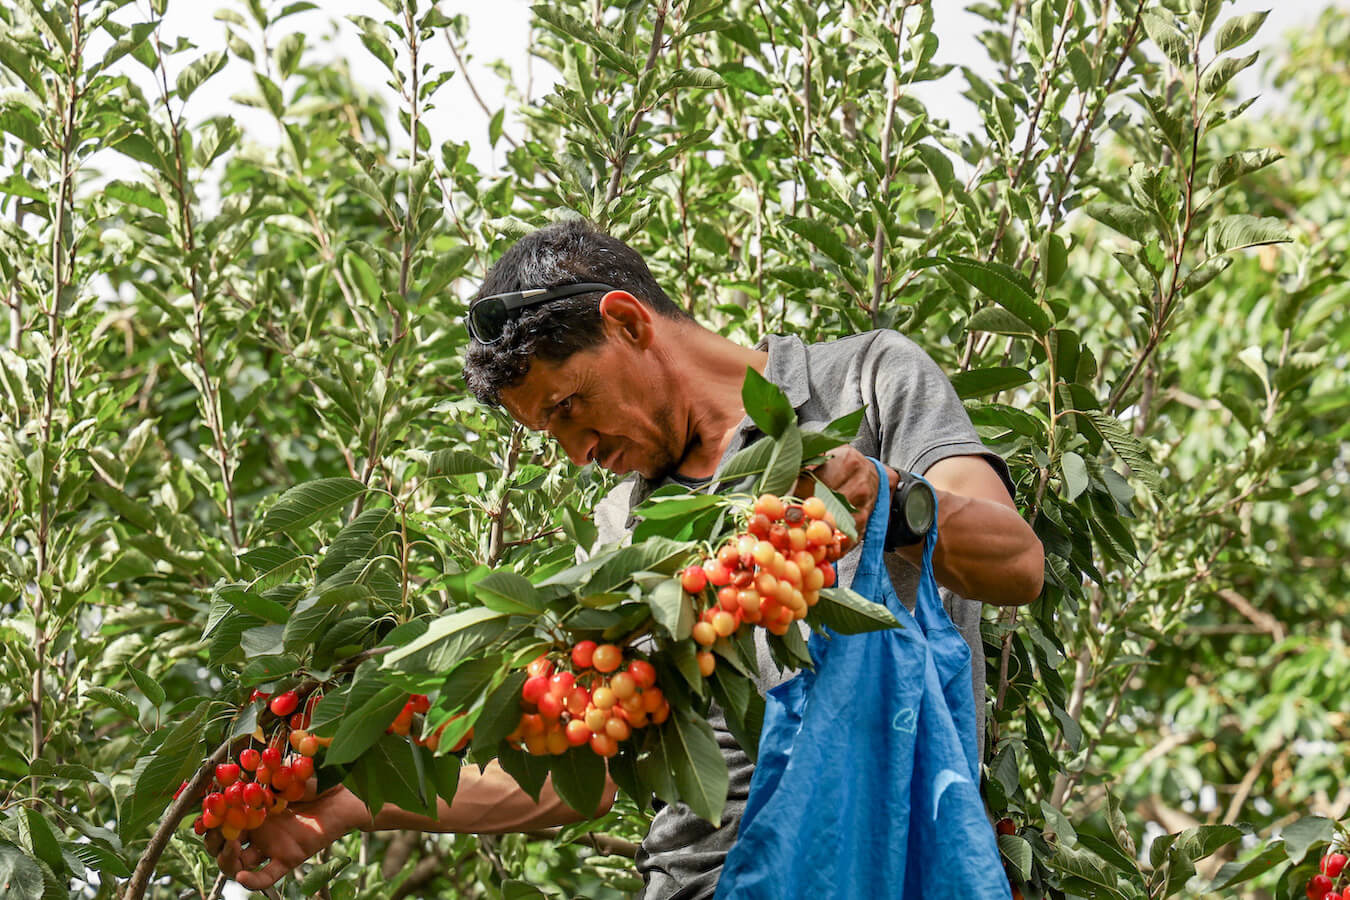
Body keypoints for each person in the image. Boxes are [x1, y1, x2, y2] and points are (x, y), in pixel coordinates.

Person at [209, 219, 1044, 895]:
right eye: (551, 433)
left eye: (571, 407)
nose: (577, 450)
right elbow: (589, 772)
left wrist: (888, 497)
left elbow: (1016, 564)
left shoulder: (862, 382)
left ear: (628, 321)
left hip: (888, 855)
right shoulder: (623, 533)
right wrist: (352, 807)